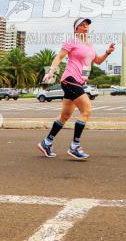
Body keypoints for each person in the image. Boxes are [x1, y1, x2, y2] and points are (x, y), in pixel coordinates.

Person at [37, 18, 114, 160]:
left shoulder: (89, 45)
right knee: (87, 110)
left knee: (65, 116)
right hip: (70, 80)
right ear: (76, 28)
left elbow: (97, 61)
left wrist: (107, 53)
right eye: (82, 25)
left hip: (79, 82)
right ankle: (75, 146)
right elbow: (59, 56)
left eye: (87, 25)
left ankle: (46, 143)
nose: (86, 27)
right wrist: (51, 71)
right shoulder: (72, 41)